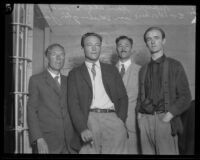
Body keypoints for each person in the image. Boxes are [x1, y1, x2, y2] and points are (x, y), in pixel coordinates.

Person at [67, 32, 128, 154]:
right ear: (82, 48)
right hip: (89, 119)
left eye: (97, 45)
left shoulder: (111, 70)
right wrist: (82, 128)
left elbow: (123, 97)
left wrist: (120, 121)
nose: (94, 48)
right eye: (89, 45)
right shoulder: (75, 73)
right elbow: (73, 104)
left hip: (113, 119)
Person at [135, 27, 191, 154]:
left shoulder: (175, 65)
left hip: (165, 120)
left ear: (163, 41)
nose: (153, 42)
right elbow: (141, 96)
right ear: (146, 44)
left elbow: (185, 97)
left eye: (156, 38)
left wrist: (169, 115)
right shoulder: (143, 69)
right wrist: (140, 117)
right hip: (145, 121)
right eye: (149, 39)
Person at [27, 43, 78, 154]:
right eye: (54, 54)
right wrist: (38, 138)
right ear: (47, 58)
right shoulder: (36, 80)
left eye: (62, 55)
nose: (59, 58)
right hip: (47, 142)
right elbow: (31, 111)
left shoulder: (69, 80)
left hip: (70, 143)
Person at [115, 36, 140, 154]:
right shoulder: (108, 71)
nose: (123, 48)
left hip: (133, 125)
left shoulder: (141, 71)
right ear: (116, 48)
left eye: (126, 46)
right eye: (120, 45)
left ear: (131, 49)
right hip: (112, 124)